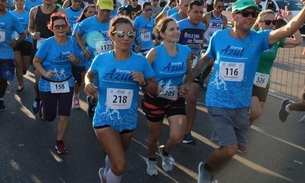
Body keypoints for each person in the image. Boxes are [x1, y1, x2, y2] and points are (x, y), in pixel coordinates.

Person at [180, 0, 305, 182]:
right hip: (218, 99)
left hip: (241, 103)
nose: (250, 17)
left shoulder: (260, 38)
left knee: (233, 149)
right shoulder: (219, 37)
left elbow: (288, 29)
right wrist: (189, 80)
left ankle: (211, 173)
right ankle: (205, 170)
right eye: (245, 13)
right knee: (230, 148)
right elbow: (206, 59)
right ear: (234, 16)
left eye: (254, 14)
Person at [84, 16, 158, 183]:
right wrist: (88, 84)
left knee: (115, 159)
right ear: (112, 35)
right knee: (120, 165)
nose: (126, 38)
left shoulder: (140, 61)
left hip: (128, 120)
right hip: (104, 118)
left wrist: (144, 82)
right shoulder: (102, 58)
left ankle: (105, 174)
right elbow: (90, 74)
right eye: (121, 34)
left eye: (130, 35)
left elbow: (155, 89)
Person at [246, 8, 302, 152]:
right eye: (268, 22)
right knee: (254, 110)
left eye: (274, 22)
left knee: (255, 114)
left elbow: (298, 41)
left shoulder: (276, 39)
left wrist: (289, 20)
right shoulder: (253, 36)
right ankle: (237, 134)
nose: (271, 25)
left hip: (264, 80)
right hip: (249, 78)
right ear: (260, 23)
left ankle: (242, 135)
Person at [142, 17, 192, 176]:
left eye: (177, 28)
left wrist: (186, 84)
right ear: (162, 34)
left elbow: (189, 73)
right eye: (171, 29)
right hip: (155, 99)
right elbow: (142, 72)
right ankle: (151, 158)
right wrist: (152, 85)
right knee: (153, 138)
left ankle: (165, 152)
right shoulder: (155, 52)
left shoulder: (186, 51)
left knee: (177, 138)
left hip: (175, 98)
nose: (176, 31)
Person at [32, 12, 80, 154]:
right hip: (48, 83)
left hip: (66, 83)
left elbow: (78, 61)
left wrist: (74, 60)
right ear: (51, 28)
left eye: (63, 26)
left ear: (67, 26)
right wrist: (45, 73)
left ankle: (59, 141)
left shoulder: (72, 41)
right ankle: (43, 108)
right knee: (49, 116)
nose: (60, 28)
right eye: (57, 26)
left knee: (65, 115)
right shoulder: (47, 43)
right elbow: (36, 61)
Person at [75, 0, 113, 118]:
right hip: (92, 62)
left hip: (112, 63)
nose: (106, 13)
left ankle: (104, 112)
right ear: (97, 8)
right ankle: (92, 101)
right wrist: (83, 49)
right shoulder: (87, 23)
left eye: (108, 10)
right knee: (96, 91)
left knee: (108, 90)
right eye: (103, 10)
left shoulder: (115, 22)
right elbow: (78, 35)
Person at [28, 0, 66, 114]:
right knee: (38, 79)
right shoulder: (34, 10)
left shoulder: (60, 10)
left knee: (54, 78)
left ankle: (48, 102)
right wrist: (33, 34)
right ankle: (39, 98)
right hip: (39, 49)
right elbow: (30, 28)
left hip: (55, 50)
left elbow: (67, 29)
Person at [177, 0, 205, 144]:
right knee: (176, 99)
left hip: (195, 69)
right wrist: (185, 55)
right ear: (188, 12)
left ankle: (187, 132)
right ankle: (174, 128)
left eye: (201, 12)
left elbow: (200, 44)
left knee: (191, 99)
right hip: (178, 69)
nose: (199, 15)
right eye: (196, 12)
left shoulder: (202, 26)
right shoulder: (180, 26)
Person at [0, 0, 26, 111]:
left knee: (2, 79)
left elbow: (23, 34)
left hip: (6, 53)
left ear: (6, 3)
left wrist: (16, 41)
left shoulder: (11, 18)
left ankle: (0, 99)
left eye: (3, 1)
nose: (0, 3)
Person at [71, 3, 96, 109]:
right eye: (89, 12)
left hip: (94, 56)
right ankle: (76, 97)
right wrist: (84, 46)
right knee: (81, 80)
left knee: (94, 80)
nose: (92, 14)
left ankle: (92, 99)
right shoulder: (80, 24)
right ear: (84, 13)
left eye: (94, 12)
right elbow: (74, 39)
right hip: (82, 55)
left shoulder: (97, 24)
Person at [11, 0, 33, 94]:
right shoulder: (10, 14)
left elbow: (31, 27)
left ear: (24, 3)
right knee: (18, 63)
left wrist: (24, 32)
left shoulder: (28, 14)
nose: (19, 2)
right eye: (17, 1)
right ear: (14, 2)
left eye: (21, 1)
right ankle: (21, 85)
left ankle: (23, 71)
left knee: (25, 65)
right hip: (15, 42)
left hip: (27, 41)